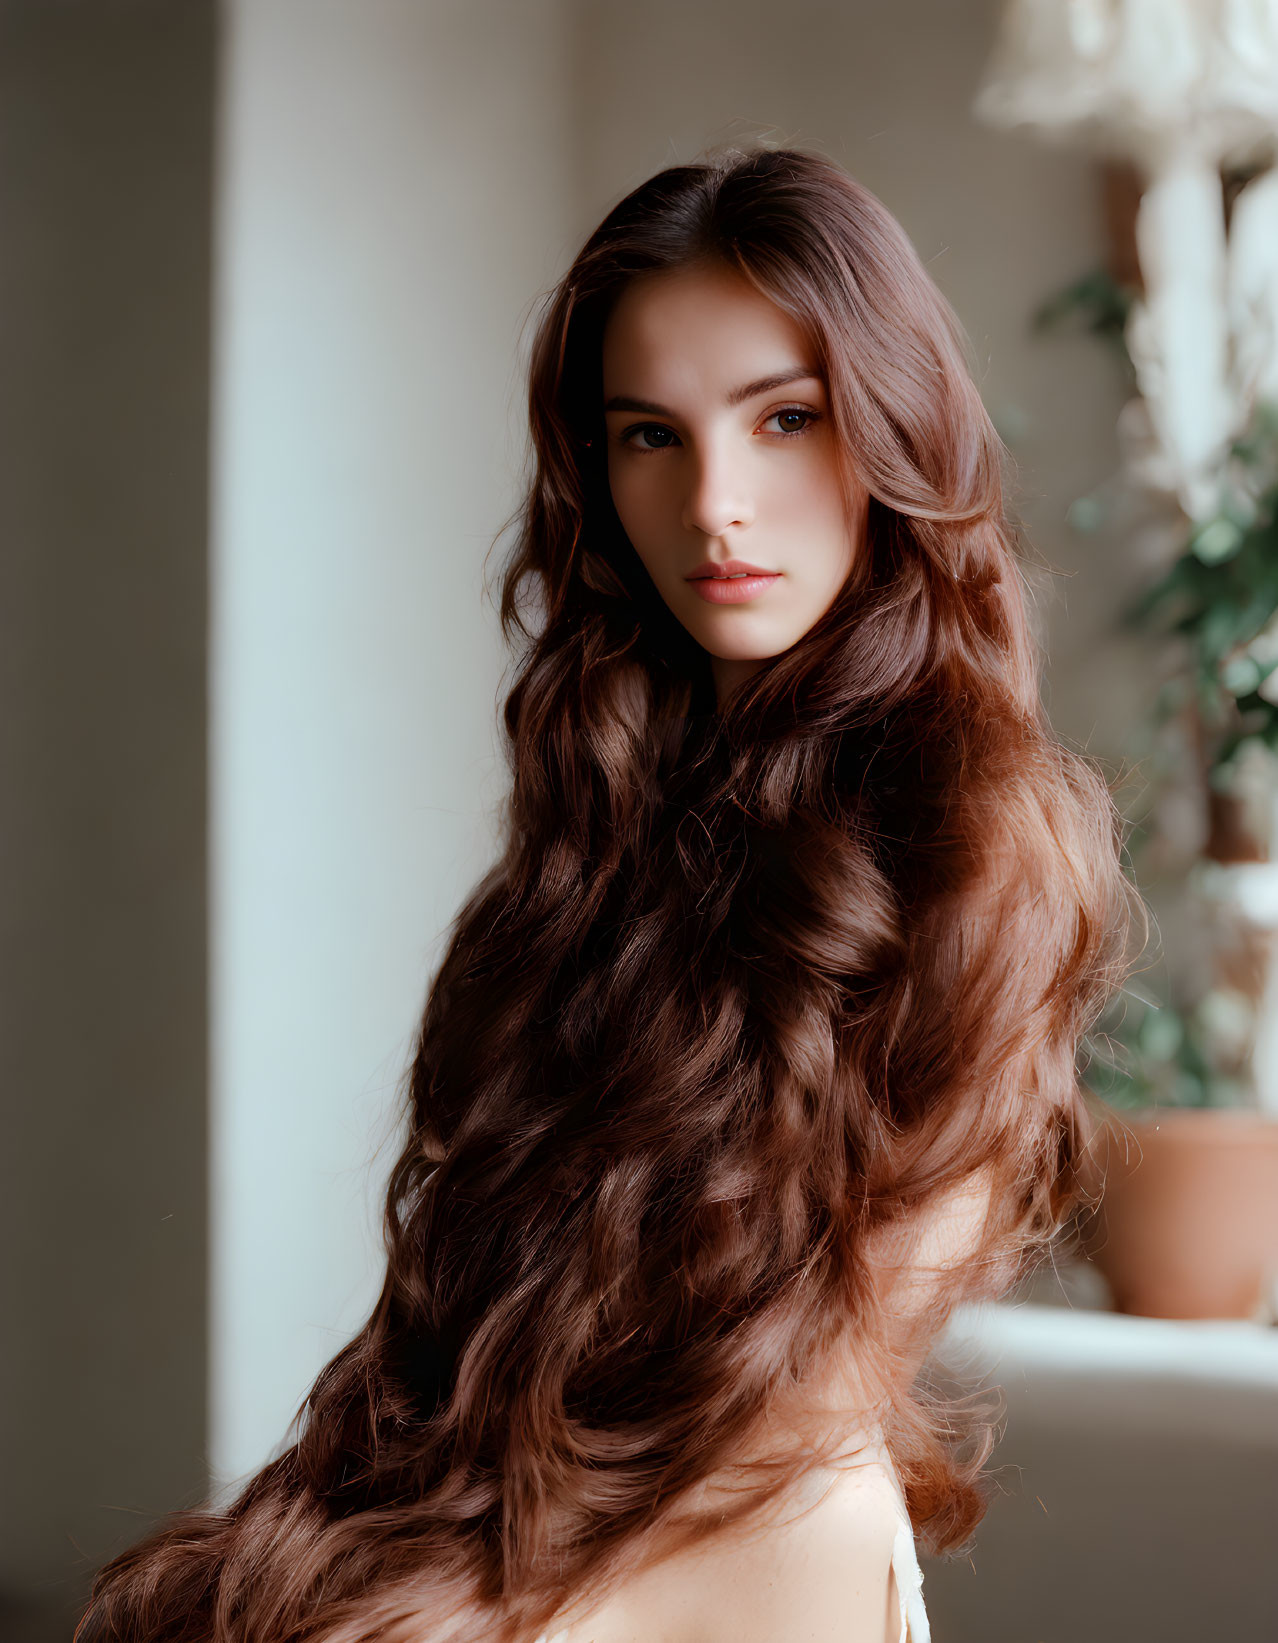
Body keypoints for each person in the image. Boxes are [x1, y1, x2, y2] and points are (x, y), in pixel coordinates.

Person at [78, 143, 1136, 1643]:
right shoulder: (608, 816)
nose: (717, 502)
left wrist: (481, 1607)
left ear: (892, 432)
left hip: (750, 1558)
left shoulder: (981, 835)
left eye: (786, 419)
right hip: (530, 1548)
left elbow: (810, 1397)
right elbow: (454, 1328)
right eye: (652, 434)